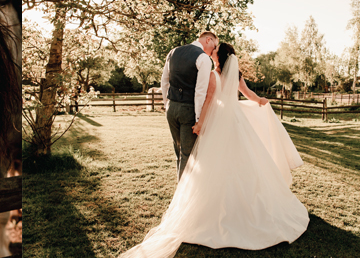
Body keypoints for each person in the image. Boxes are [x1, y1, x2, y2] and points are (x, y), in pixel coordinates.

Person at [122, 42, 308, 257]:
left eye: (214, 50)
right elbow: (247, 94)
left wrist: (200, 124)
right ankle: (242, 205)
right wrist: (260, 101)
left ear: (218, 57)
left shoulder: (213, 75)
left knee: (213, 164)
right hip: (236, 122)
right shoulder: (236, 75)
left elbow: (209, 99)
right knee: (243, 162)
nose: (211, 52)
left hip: (219, 121)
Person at [159, 31, 218, 180]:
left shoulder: (173, 52)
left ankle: (181, 191)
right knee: (187, 154)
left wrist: (168, 104)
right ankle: (183, 196)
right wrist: (199, 120)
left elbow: (164, 81)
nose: (214, 51)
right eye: (214, 45)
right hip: (188, 110)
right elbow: (200, 91)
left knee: (178, 151)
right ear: (208, 40)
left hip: (171, 108)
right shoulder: (203, 58)